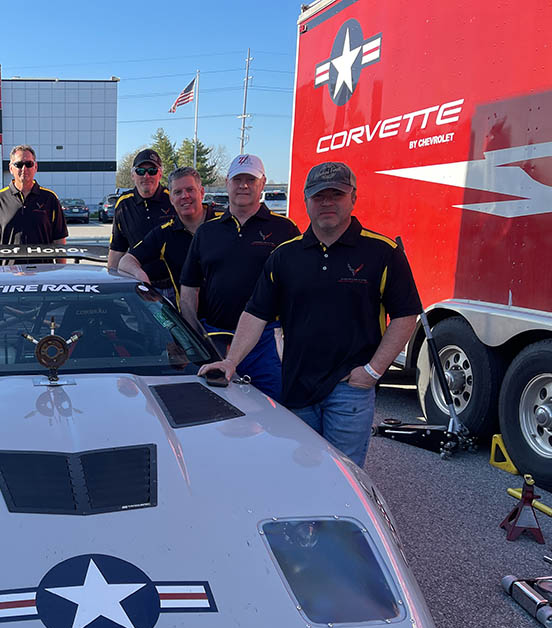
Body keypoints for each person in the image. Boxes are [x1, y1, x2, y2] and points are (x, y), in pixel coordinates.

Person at [199, 162, 422, 466]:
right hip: (297, 387)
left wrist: (372, 371)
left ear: (353, 198)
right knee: (299, 470)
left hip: (350, 390)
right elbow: (255, 313)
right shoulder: (284, 255)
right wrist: (231, 361)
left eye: (336, 195)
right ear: (306, 201)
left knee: (345, 473)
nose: (327, 202)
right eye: (319, 196)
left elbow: (406, 314)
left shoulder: (381, 252)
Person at [179, 155, 300, 400]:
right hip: (215, 337)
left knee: (273, 410)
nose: (243, 185)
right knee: (213, 408)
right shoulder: (207, 231)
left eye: (250, 179)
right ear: (227, 183)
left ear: (262, 183)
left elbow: (299, 290)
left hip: (266, 341)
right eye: (238, 179)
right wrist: (195, 336)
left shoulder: (285, 229)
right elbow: (189, 289)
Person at [118, 166, 216, 309]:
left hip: (236, 321)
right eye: (178, 192)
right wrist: (141, 277)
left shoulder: (225, 222)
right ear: (171, 198)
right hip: (190, 323)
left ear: (201, 192)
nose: (184, 196)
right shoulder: (165, 233)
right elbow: (126, 261)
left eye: (190, 190)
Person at [0, 145, 67, 263]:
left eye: (29, 164)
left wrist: (60, 272)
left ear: (36, 167)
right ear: (11, 168)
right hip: (8, 275)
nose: (24, 168)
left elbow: (59, 241)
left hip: (44, 275)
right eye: (18, 164)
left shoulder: (50, 199)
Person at [107, 149, 173, 270]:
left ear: (160, 174)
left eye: (152, 171)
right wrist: (110, 279)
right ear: (133, 175)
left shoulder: (173, 200)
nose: (146, 176)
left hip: (172, 283)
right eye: (140, 171)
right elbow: (117, 249)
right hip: (136, 280)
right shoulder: (124, 204)